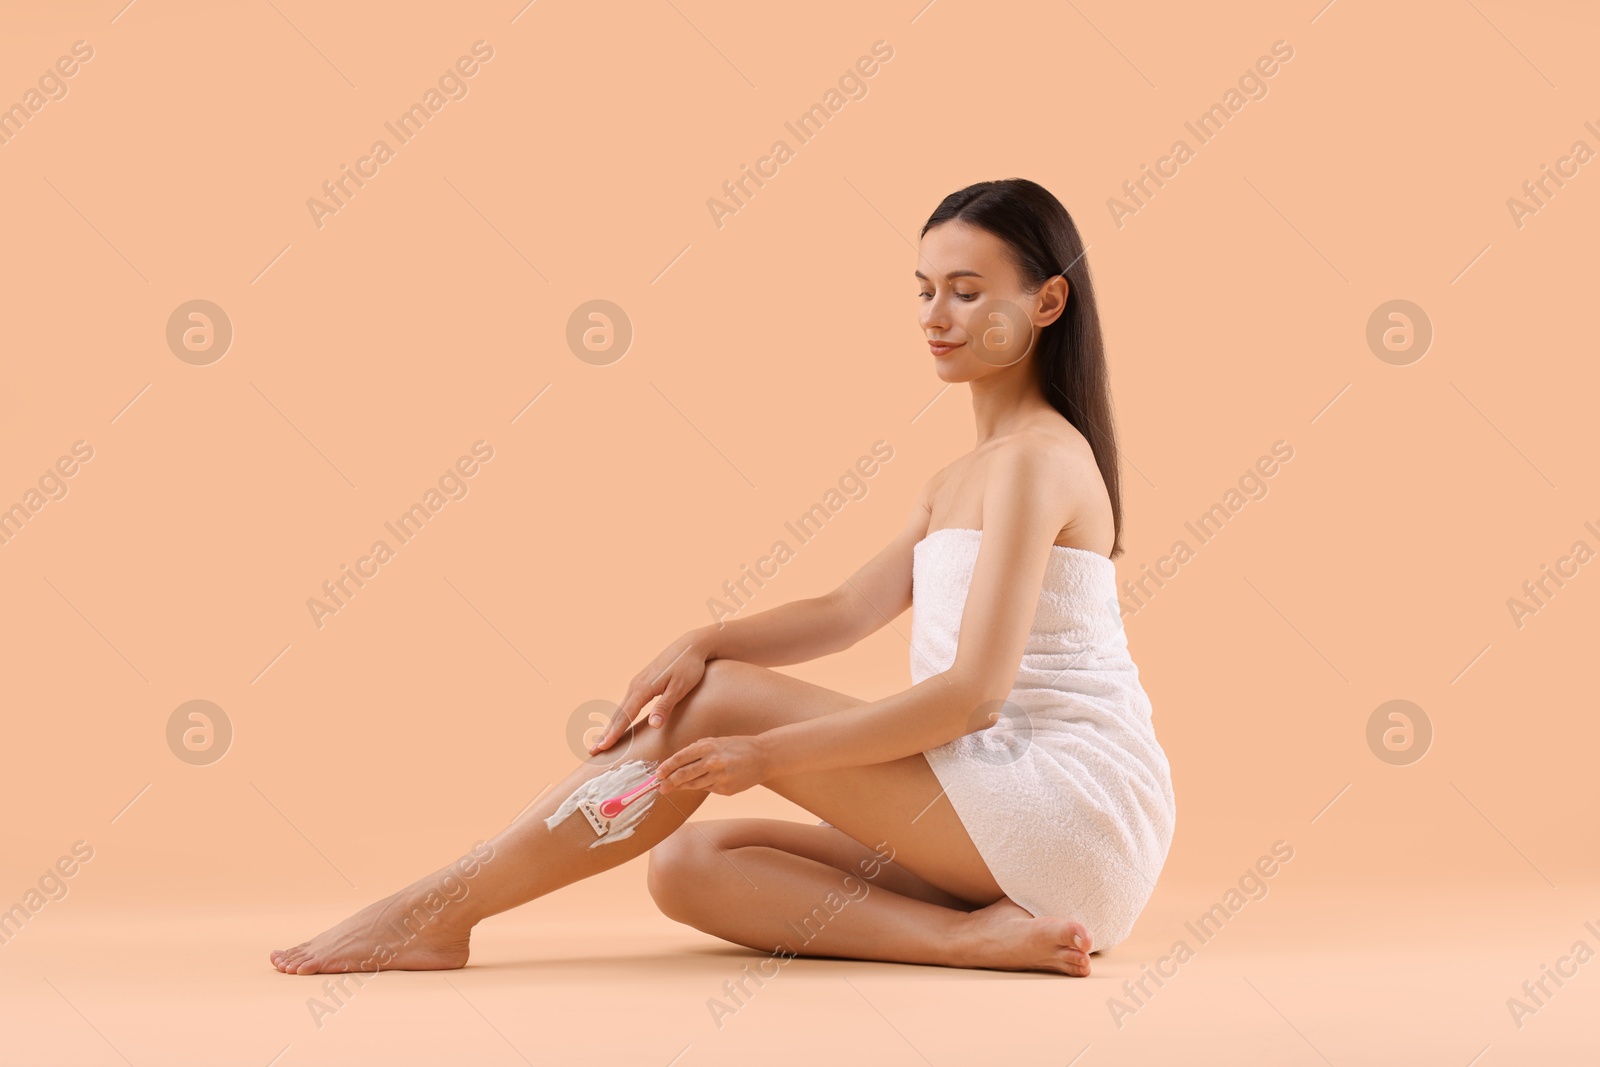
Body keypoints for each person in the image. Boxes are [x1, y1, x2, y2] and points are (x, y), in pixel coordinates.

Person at [269, 177, 1176, 979]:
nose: (936, 315)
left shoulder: (1039, 461)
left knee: (718, 707)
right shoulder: (957, 479)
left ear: (1049, 302)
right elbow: (845, 611)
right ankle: (964, 938)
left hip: (1068, 809)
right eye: (926, 289)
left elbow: (973, 697)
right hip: (1004, 823)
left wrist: (766, 755)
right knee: (687, 862)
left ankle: (441, 909)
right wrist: (705, 637)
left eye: (968, 292)